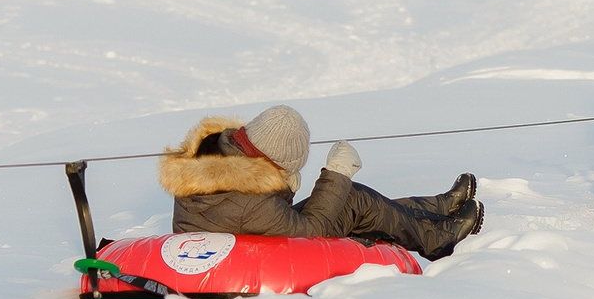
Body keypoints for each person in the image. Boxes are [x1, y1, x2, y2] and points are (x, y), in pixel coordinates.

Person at [162, 105, 482, 259]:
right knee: (352, 198)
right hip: (253, 258)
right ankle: (437, 239)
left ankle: (436, 209)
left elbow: (256, 211)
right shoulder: (252, 202)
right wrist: (336, 175)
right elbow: (309, 233)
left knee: (353, 200)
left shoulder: (215, 151)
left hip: (242, 236)